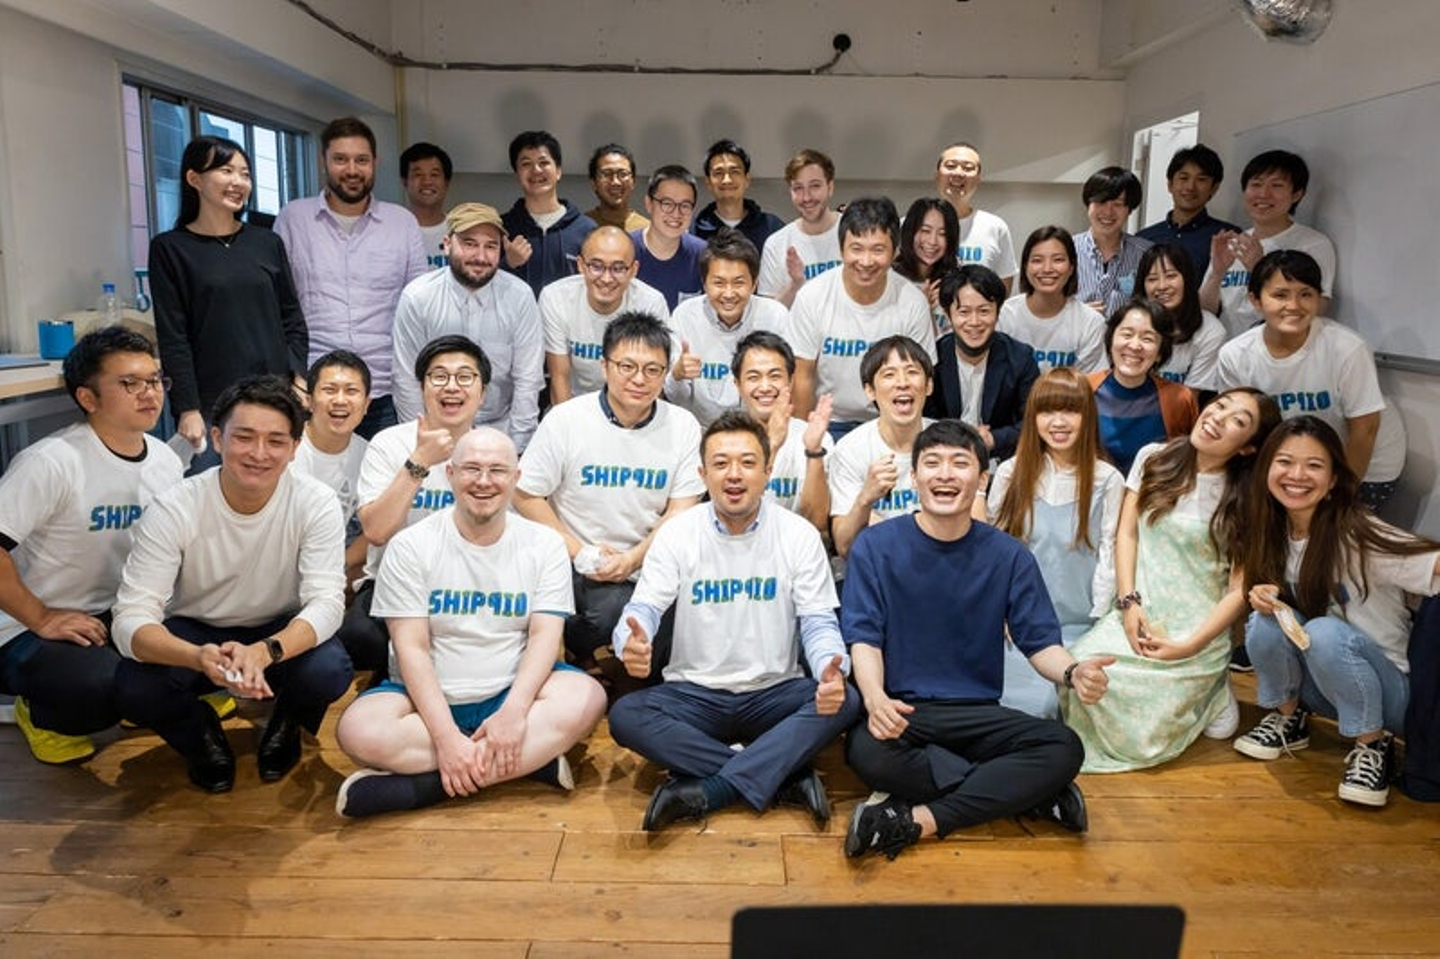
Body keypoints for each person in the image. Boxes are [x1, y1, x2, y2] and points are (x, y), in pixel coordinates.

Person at [841, 420, 1112, 861]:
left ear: (982, 479)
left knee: (1063, 747)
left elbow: (1039, 641)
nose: (945, 474)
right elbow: (864, 638)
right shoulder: (875, 546)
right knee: (865, 751)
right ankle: (1026, 794)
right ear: (915, 477)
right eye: (932, 463)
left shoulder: (1009, 555)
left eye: (960, 463)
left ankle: (917, 820)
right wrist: (875, 699)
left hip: (978, 712)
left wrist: (1073, 671)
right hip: (905, 712)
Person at [333, 428, 608, 818]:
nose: (484, 481)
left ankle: (423, 788)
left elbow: (545, 638)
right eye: (471, 469)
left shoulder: (544, 544)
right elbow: (412, 648)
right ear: (450, 474)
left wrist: (514, 713)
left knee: (588, 697)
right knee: (358, 730)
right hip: (427, 703)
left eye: (497, 470)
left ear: (516, 478)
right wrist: (446, 737)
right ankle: (529, 763)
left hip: (510, 691)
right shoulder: (410, 546)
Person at [606, 412, 861, 831]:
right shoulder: (678, 533)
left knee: (845, 700)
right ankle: (779, 775)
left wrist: (830, 669)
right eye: (721, 463)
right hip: (694, 694)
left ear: (767, 470)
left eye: (747, 462)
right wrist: (630, 642)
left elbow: (818, 623)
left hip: (774, 693)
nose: (734, 474)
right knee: (626, 715)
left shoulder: (798, 535)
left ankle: (713, 788)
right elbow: (644, 608)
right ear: (703, 474)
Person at [111, 376, 353, 793]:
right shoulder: (174, 506)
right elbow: (131, 617)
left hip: (276, 627)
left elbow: (327, 602)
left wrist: (266, 650)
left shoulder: (316, 502)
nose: (259, 453)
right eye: (244, 437)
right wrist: (195, 656)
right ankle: (198, 733)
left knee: (329, 670)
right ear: (218, 438)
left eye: (276, 441)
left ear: (295, 448)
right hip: (195, 629)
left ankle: (287, 722)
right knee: (134, 685)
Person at [1059, 388, 1282, 772]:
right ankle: (1200, 697)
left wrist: (1188, 646)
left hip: (1195, 627)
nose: (1218, 417)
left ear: (1248, 447)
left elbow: (1238, 590)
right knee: (1083, 673)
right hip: (1140, 609)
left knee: (1143, 730)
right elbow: (1127, 533)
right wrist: (1129, 603)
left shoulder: (1247, 496)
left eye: (1238, 421)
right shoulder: (1153, 457)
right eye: (1220, 405)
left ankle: (1212, 688)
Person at [1234, 416, 1440, 808]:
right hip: (1326, 689)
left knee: (1325, 632)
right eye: (1285, 462)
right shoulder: (1271, 528)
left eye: (1314, 465)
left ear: (1332, 481)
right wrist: (1263, 593)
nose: (1297, 475)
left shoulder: (1357, 533)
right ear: (1265, 469)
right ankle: (1289, 719)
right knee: (1264, 620)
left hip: (1390, 693)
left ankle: (1373, 747)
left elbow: (1433, 564)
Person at [0, 328, 184, 765]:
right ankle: (40, 715)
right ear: (88, 398)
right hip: (30, 626)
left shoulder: (165, 459)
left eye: (154, 380)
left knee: (208, 648)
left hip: (118, 613)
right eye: (130, 383)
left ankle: (141, 697)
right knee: (97, 686)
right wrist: (41, 616)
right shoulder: (50, 462)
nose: (149, 393)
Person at [515, 312, 704, 688]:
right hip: (577, 563)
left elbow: (681, 509)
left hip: (651, 562)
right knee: (611, 613)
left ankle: (610, 672)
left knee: (687, 616)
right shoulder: (566, 419)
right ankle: (593, 668)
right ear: (604, 366)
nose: (639, 379)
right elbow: (525, 494)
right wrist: (580, 552)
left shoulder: (683, 425)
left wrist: (634, 558)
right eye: (627, 366)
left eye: (653, 370)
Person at [150, 134, 307, 470]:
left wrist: (299, 380)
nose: (238, 182)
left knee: (275, 488)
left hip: (274, 397)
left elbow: (292, 319)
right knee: (212, 491)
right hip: (213, 405)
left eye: (245, 174)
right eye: (226, 171)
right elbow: (173, 336)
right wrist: (187, 408)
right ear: (194, 179)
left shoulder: (267, 242)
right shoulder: (170, 248)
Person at [343, 335, 492, 677]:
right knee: (359, 637)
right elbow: (376, 531)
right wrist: (420, 460)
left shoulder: (493, 448)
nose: (451, 386)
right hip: (394, 582)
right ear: (422, 388)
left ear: (482, 392)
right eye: (438, 376)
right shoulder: (388, 443)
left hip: (469, 585)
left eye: (464, 377)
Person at [1216, 249, 1406, 510]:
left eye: (1306, 294)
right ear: (1256, 300)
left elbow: (1366, 430)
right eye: (1280, 295)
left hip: (1364, 464)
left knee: (1331, 531)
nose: (1294, 306)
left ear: (1318, 298)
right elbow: (1240, 429)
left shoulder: (1347, 349)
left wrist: (1337, 496)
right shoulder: (1235, 355)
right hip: (1298, 465)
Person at [275, 117, 428, 439]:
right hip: (313, 389)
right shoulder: (293, 219)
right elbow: (278, 305)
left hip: (383, 390)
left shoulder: (402, 223)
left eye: (361, 160)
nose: (352, 170)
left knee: (388, 471)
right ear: (324, 162)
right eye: (341, 159)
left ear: (375, 163)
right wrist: (291, 376)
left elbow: (419, 307)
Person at [988, 368, 1124, 718]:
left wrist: (1100, 624)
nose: (1058, 422)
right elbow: (995, 553)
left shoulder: (1107, 479)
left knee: (1054, 706)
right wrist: (1000, 611)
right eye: (1047, 411)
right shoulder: (1010, 473)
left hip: (1081, 624)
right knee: (1005, 705)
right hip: (1018, 623)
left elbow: (1110, 553)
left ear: (1087, 417)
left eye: (1071, 410)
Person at [391, 202, 543, 451]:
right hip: (436, 432)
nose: (480, 257)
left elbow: (528, 379)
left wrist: (518, 448)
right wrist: (420, 443)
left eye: (490, 246)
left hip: (500, 430)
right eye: (469, 244)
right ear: (447, 244)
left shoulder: (520, 296)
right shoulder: (418, 297)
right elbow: (407, 379)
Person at [788, 197, 936, 433]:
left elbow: (920, 379)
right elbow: (802, 376)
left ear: (895, 251)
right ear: (841, 249)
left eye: (878, 249)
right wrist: (807, 439)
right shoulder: (812, 297)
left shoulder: (912, 302)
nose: (866, 261)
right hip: (829, 421)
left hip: (890, 421)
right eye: (856, 249)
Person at [1200, 149, 1337, 335]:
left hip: (1276, 349)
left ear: (1297, 194)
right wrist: (1216, 274)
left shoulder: (1312, 244)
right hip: (1227, 349)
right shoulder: (1235, 243)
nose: (1263, 194)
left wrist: (1260, 269)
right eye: (1256, 184)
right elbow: (1204, 312)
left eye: (1277, 185)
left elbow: (1316, 309)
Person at [665, 229, 787, 427]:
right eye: (719, 283)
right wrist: (678, 375)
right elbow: (675, 398)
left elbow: (785, 388)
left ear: (754, 284)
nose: (729, 294)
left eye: (738, 283)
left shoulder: (775, 316)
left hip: (758, 428)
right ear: (705, 284)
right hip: (699, 430)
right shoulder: (684, 316)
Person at [829, 337, 934, 559]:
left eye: (912, 372)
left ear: (929, 385)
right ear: (870, 390)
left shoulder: (950, 443)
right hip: (878, 568)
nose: (902, 383)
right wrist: (865, 499)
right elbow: (844, 547)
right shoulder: (851, 449)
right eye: (889, 374)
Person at [924, 264, 1039, 464]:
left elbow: (1033, 421)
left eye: (984, 311)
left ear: (998, 312)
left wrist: (993, 439)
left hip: (1002, 461)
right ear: (948, 314)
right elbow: (924, 419)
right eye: (964, 312)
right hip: (943, 457)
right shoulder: (934, 359)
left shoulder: (1020, 358)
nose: (974, 322)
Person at [540, 226, 670, 404]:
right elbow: (559, 377)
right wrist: (568, 421)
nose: (606, 279)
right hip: (576, 403)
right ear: (580, 265)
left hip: (631, 402)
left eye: (618, 268)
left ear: (633, 270)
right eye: (596, 266)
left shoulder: (651, 303)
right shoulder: (555, 298)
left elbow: (651, 380)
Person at [731, 331, 832, 530]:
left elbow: (817, 522)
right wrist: (772, 444)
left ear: (791, 382)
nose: (765, 387)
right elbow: (735, 515)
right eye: (753, 377)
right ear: (738, 385)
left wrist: (813, 451)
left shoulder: (815, 437)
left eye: (775, 376)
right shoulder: (724, 439)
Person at [1087, 297, 1198, 477]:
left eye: (1147, 339)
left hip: (1152, 492)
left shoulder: (1179, 398)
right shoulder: (1084, 389)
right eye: (1127, 334)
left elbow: (1188, 458)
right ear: (1111, 340)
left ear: (1160, 353)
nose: (1134, 345)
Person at [291, 350, 371, 589]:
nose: (340, 400)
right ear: (308, 400)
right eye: (329, 390)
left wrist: (337, 570)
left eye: (351, 391)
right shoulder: (283, 446)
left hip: (332, 568)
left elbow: (377, 529)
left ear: (367, 404)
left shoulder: (371, 455)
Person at [500, 130, 597, 298]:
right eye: (526, 164)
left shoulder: (586, 230)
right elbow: (482, 286)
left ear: (558, 171)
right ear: (517, 174)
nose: (536, 170)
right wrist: (507, 263)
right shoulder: (502, 228)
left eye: (543, 162)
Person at [998, 225, 1106, 376]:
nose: (1047, 269)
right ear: (1025, 266)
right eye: (1037, 260)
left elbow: (1090, 383)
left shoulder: (1090, 323)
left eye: (1058, 260)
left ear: (1072, 267)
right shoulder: (1004, 315)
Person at [1136, 144, 1240, 279]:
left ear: (1214, 188)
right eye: (1184, 178)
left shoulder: (1229, 238)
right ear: (1170, 184)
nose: (1190, 187)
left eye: (1201, 180)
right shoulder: (1143, 239)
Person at [757, 149, 842, 306]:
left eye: (815, 186)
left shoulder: (855, 233)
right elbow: (768, 314)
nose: (806, 197)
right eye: (798, 188)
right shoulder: (776, 244)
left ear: (830, 187)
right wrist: (795, 285)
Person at [1139, 242, 1227, 393]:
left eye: (1171, 276)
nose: (1162, 286)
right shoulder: (1131, 322)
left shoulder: (1210, 331)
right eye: (1152, 279)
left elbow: (1190, 398)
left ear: (1187, 279)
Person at [933, 142, 1018, 291]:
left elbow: (1002, 290)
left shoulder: (995, 228)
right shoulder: (909, 225)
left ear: (978, 179)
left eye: (968, 168)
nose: (958, 173)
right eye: (951, 166)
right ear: (937, 174)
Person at [1074, 166, 1153, 318]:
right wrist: (1074, 314)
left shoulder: (1147, 254)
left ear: (1129, 210)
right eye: (1101, 202)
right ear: (1088, 205)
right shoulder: (1066, 250)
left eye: (1118, 204)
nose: (1108, 212)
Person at [631, 165, 707, 309]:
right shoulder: (625, 249)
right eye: (667, 203)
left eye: (685, 205)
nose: (676, 213)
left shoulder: (703, 254)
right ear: (648, 203)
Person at [691, 139, 783, 254]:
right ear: (708, 182)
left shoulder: (772, 227)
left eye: (734, 172)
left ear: (747, 179)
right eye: (718, 173)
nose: (727, 180)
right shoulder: (694, 232)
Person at [893, 197, 960, 335]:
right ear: (910, 231)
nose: (932, 241)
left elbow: (948, 343)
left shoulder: (956, 282)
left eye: (943, 234)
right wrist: (919, 304)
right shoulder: (890, 278)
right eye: (925, 231)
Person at [399, 141, 454, 269]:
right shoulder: (392, 232)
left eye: (434, 175)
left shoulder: (459, 231)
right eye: (418, 175)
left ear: (446, 182)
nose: (427, 181)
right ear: (404, 181)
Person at [586, 143, 649, 232]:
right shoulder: (580, 228)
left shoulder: (647, 231)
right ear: (594, 183)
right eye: (607, 174)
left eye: (623, 174)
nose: (615, 182)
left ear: (633, 181)